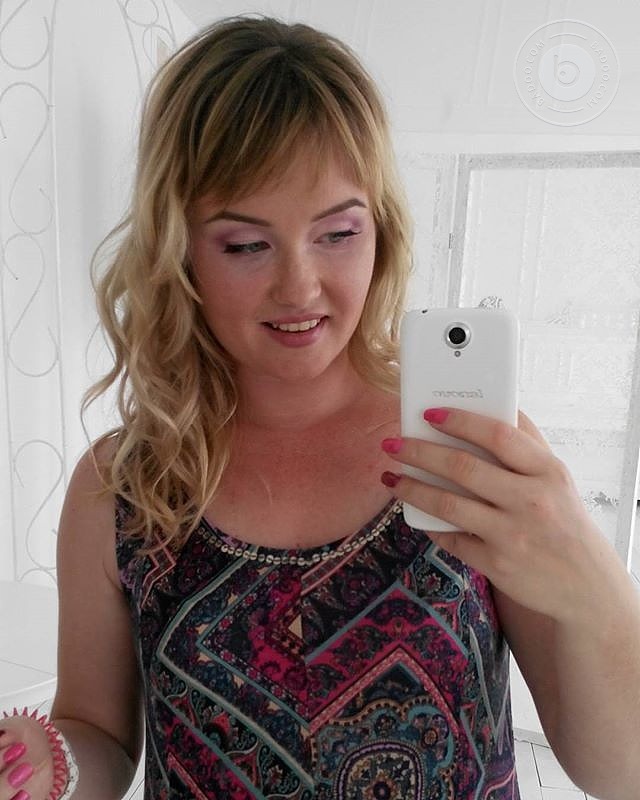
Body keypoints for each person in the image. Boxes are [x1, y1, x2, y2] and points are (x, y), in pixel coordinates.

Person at [2, 13, 640, 800]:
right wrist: (50, 762)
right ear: (178, 248)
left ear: (381, 232)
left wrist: (595, 584)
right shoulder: (121, 490)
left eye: (337, 233)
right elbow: (98, 735)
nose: (299, 288)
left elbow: (620, 771)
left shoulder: (472, 450)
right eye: (246, 245)